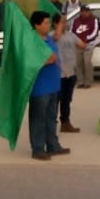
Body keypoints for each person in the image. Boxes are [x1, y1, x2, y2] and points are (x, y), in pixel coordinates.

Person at [28, 11, 70, 161]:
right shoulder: (32, 41)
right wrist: (47, 60)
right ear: (36, 25)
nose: (48, 25)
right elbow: (29, 63)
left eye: (48, 22)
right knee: (38, 118)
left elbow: (57, 37)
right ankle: (38, 149)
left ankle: (53, 145)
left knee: (51, 117)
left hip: (53, 85)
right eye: (45, 23)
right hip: (40, 87)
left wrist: (60, 24)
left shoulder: (48, 38)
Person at [54, 12, 84, 133]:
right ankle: (51, 124)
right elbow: (56, 36)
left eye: (66, 21)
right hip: (59, 74)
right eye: (62, 21)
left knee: (67, 100)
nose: (65, 24)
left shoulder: (71, 35)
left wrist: (92, 44)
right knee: (56, 100)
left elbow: (82, 45)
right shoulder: (53, 36)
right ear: (55, 23)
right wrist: (58, 29)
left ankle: (65, 123)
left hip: (70, 73)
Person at [72, 5, 100, 89]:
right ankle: (80, 81)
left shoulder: (94, 20)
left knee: (87, 63)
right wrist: (77, 41)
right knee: (78, 64)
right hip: (78, 45)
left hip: (88, 45)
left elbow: (95, 32)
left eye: (88, 11)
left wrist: (86, 40)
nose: (87, 12)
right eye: (85, 11)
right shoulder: (76, 21)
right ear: (81, 12)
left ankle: (88, 82)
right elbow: (72, 31)